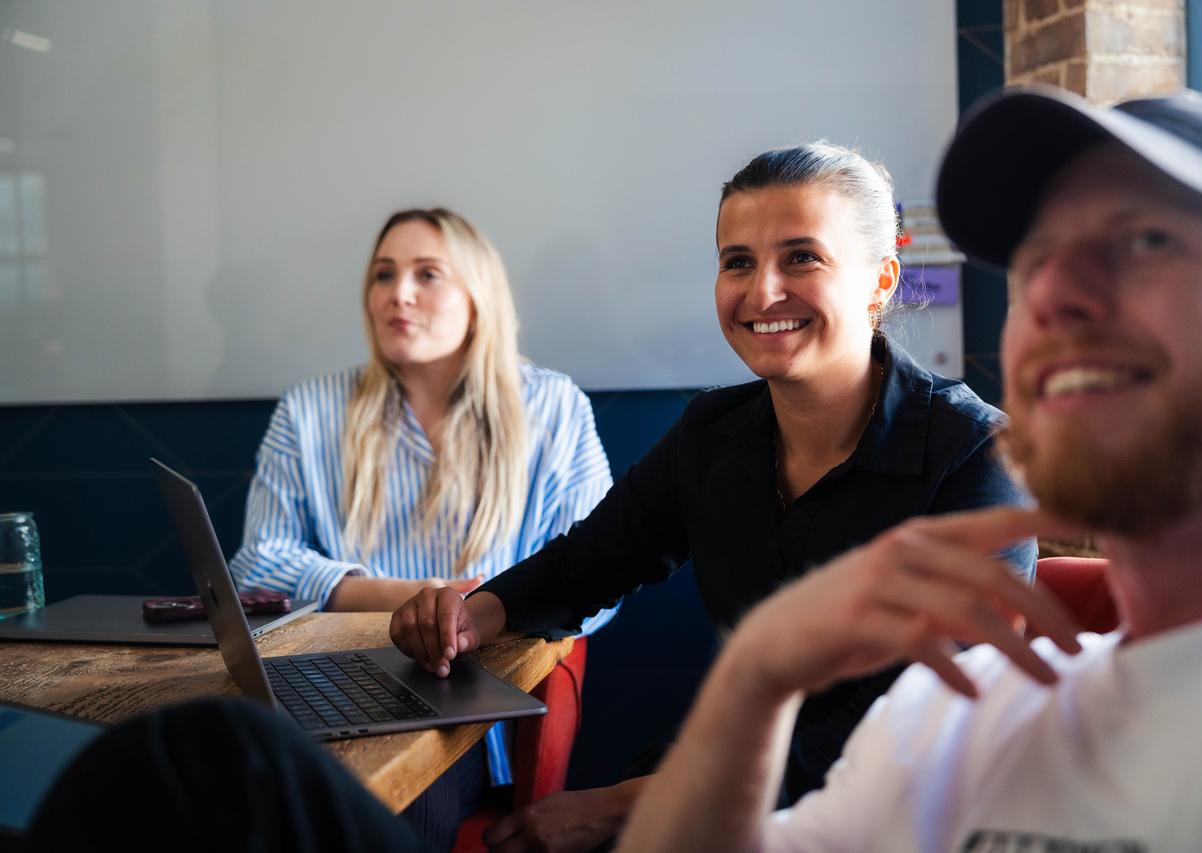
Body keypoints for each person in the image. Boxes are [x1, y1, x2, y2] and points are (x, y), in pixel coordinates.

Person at [616, 87, 1202, 852]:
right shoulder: (957, 716)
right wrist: (754, 676)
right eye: (1034, 260)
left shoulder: (958, 448)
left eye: (1150, 241)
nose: (1053, 292)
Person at [389, 144, 1036, 851]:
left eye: (801, 258)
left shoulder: (974, 455)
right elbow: (590, 562)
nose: (761, 293)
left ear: (880, 281)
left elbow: (921, 724)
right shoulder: (714, 432)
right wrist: (466, 615)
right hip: (718, 778)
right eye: (737, 261)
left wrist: (632, 801)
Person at [228, 207, 615, 849]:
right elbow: (256, 567)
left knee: (402, 794)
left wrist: (473, 615)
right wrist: (403, 594)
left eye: (427, 274)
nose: (398, 293)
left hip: (466, 704)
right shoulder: (310, 411)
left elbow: (597, 582)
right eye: (383, 275)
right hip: (318, 686)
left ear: (477, 297)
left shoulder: (552, 408)